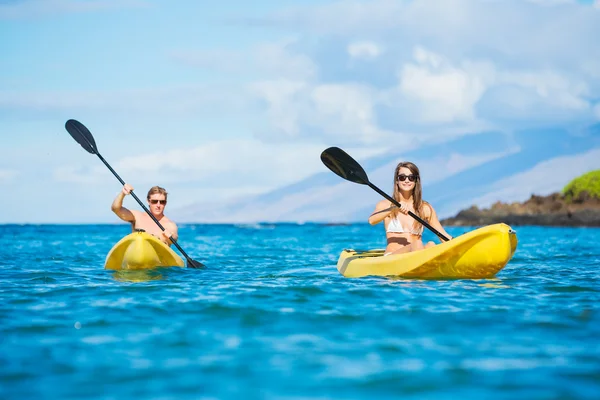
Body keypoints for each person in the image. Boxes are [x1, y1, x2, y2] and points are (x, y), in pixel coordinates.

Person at [368, 161, 452, 255]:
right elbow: (372, 220)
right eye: (402, 177)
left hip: (416, 256)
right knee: (417, 244)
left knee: (431, 244)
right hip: (392, 257)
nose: (406, 181)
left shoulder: (424, 208)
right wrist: (393, 208)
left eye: (411, 178)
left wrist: (461, 244)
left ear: (416, 181)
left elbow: (443, 235)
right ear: (397, 180)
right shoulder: (386, 204)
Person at [111, 184, 178, 246]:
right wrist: (123, 193)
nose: (158, 205)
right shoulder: (137, 216)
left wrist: (171, 237)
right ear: (148, 201)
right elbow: (116, 209)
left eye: (162, 202)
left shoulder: (170, 225)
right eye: (154, 201)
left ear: (165, 203)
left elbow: (174, 238)